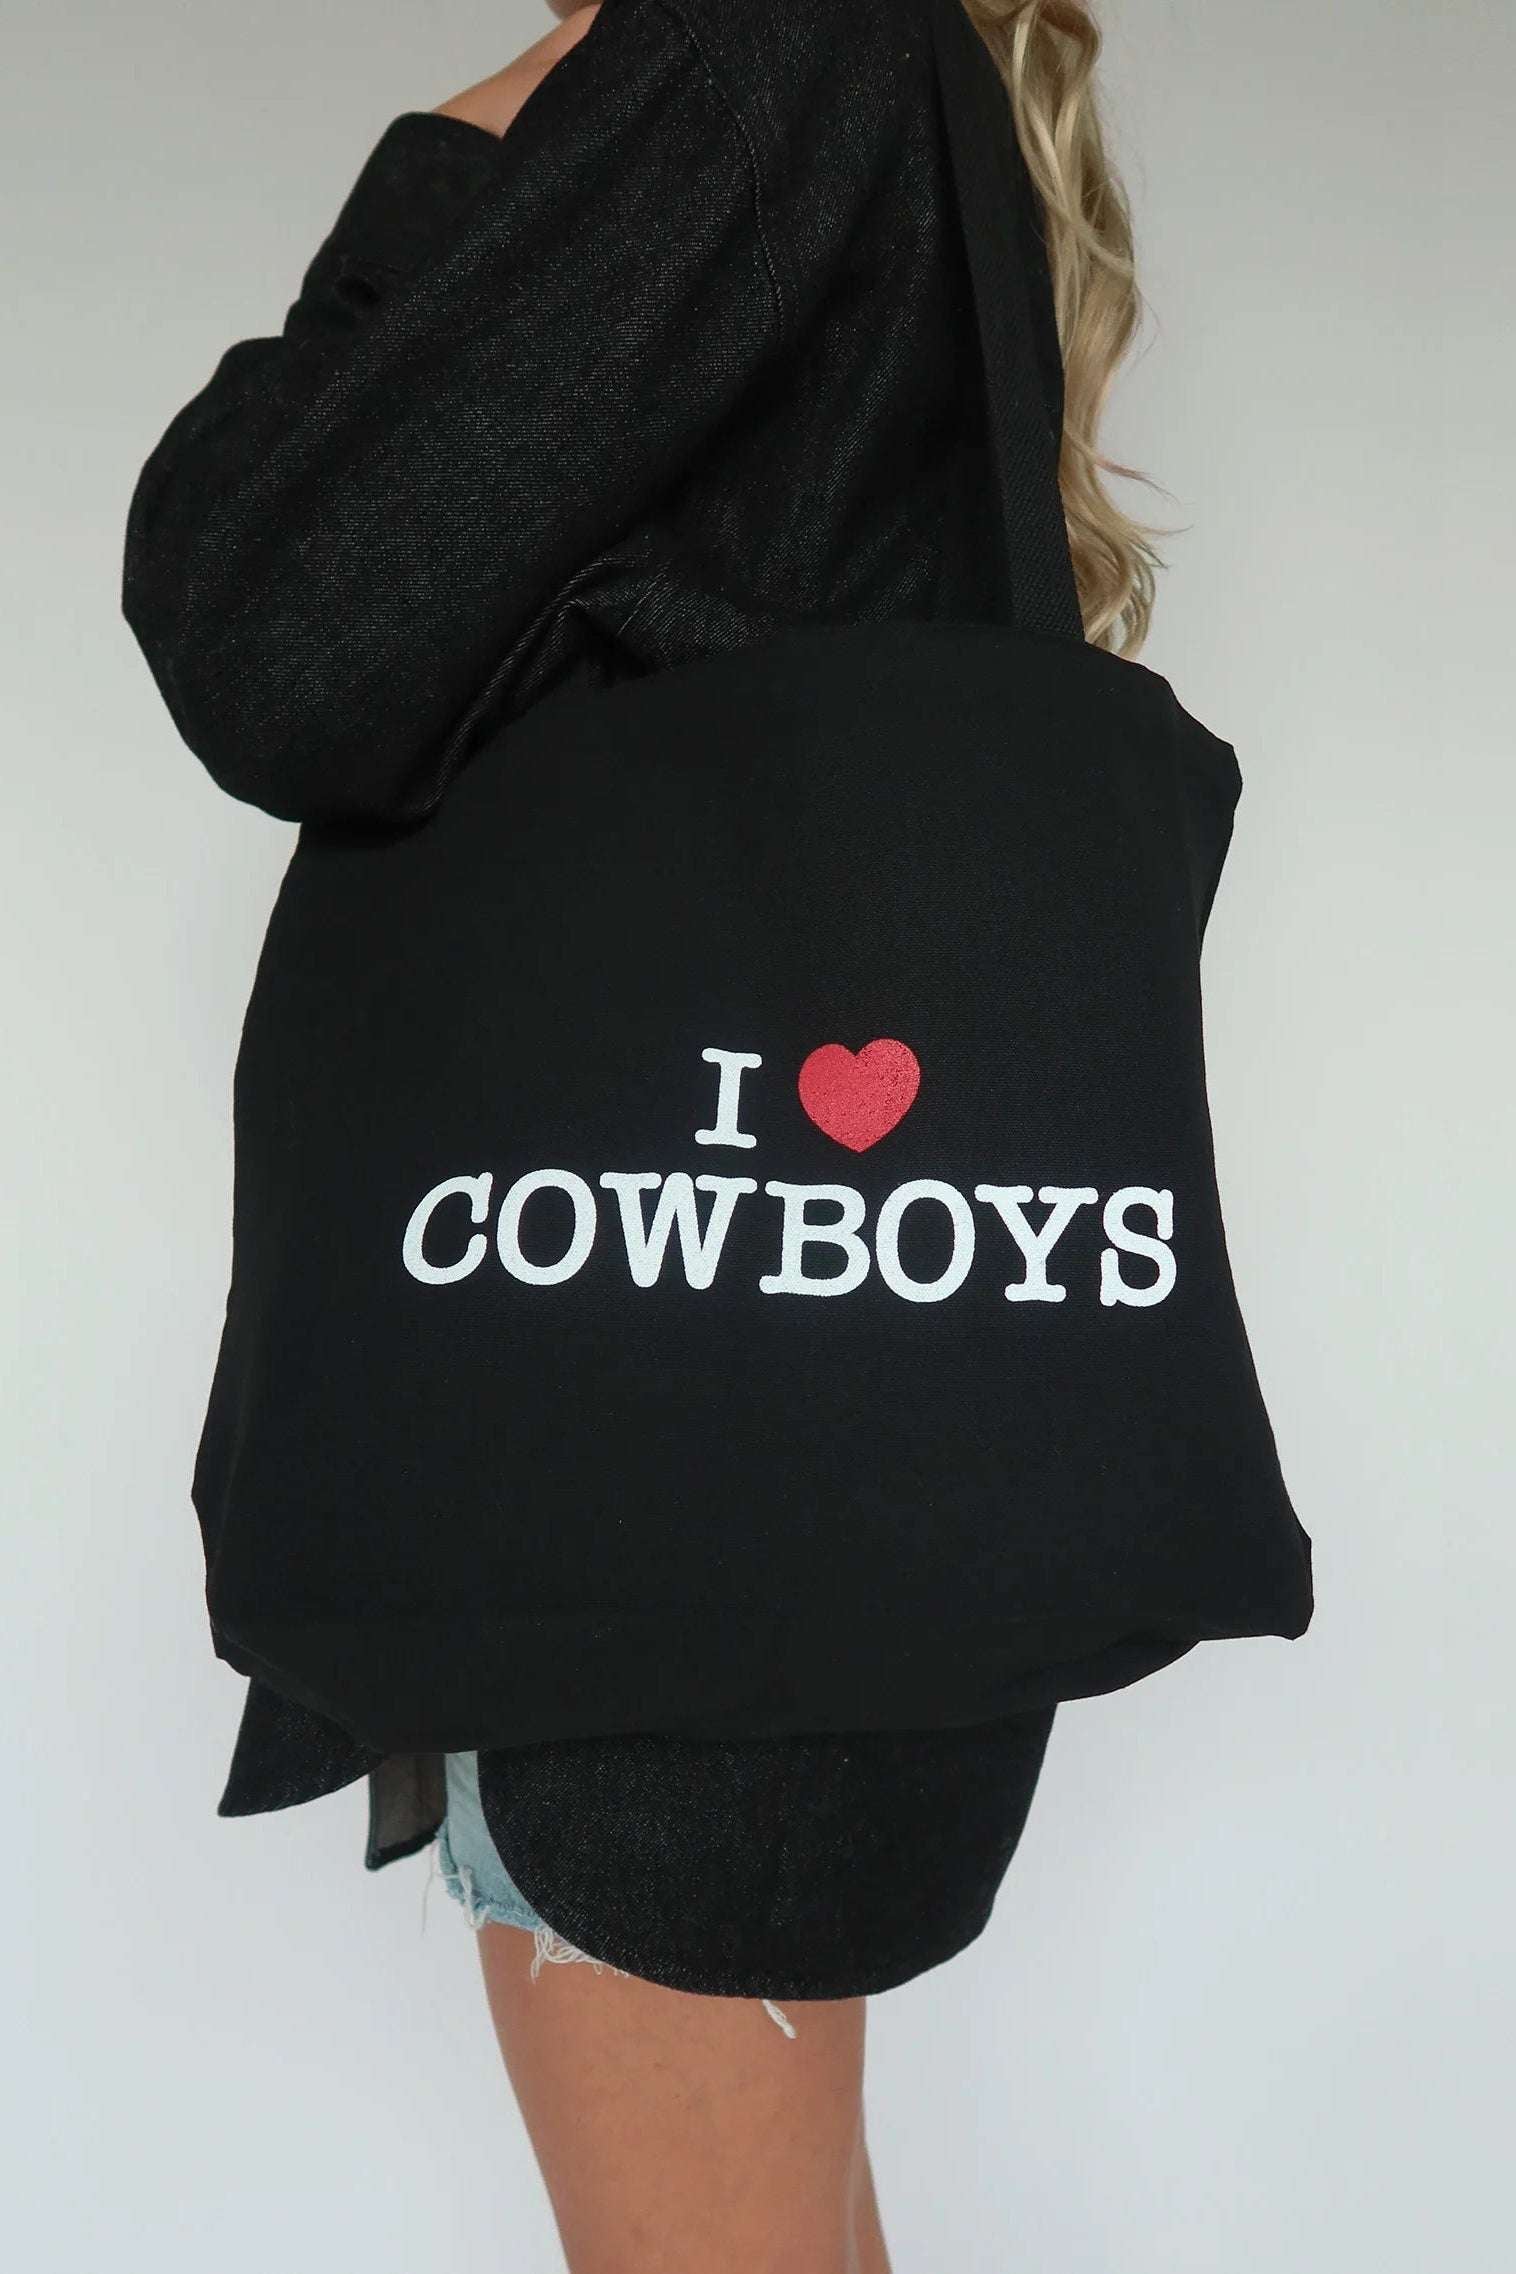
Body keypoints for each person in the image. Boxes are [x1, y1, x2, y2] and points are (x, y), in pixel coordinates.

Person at [121, 2, 1165, 2265]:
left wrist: (455, 148)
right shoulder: (836, 63)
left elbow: (272, 628)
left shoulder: (758, 40)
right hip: (757, 1413)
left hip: (670, 1461)